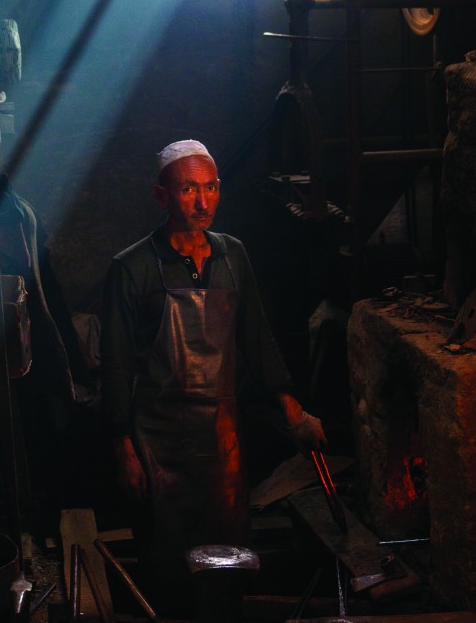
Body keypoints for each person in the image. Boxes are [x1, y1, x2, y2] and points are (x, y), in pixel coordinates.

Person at [100, 139, 327, 616]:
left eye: (209, 189)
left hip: (221, 444)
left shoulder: (232, 256)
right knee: (169, 570)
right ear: (161, 196)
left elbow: (258, 343)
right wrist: (124, 450)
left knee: (226, 568)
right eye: (188, 190)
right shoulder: (132, 268)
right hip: (157, 447)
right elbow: (117, 368)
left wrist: (296, 414)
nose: (202, 203)